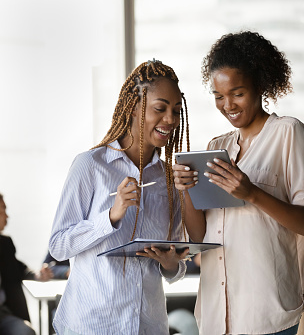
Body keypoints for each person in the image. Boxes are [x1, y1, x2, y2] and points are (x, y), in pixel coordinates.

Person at [174, 31, 304, 335]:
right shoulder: (217, 146)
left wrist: (252, 193)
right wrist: (185, 192)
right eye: (218, 96)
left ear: (261, 85)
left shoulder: (288, 133)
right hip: (217, 316)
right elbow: (199, 235)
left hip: (268, 314)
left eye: (237, 93)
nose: (227, 104)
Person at [48, 59, 191, 335]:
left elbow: (175, 263)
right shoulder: (90, 165)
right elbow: (58, 246)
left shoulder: (169, 180)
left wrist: (172, 265)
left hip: (147, 326)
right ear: (134, 107)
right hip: (92, 325)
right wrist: (111, 216)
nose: (170, 120)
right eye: (160, 109)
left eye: (175, 111)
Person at [0, 193, 53, 335]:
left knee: (25, 331)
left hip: (3, 313)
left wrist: (37, 274)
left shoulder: (5, 243)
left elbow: (19, 268)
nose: (7, 216)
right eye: (3, 211)